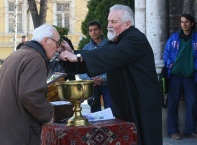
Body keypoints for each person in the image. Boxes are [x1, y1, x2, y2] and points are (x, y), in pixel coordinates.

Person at [59, 4, 162, 145]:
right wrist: (72, 53)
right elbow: (99, 53)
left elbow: (110, 55)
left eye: (114, 22)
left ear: (128, 23)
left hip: (141, 101)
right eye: (108, 21)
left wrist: (76, 57)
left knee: (144, 138)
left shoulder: (135, 38)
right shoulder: (118, 41)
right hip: (127, 99)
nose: (109, 25)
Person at [0, 24, 61, 145]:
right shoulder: (35, 58)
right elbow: (30, 95)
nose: (58, 49)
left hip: (8, 127)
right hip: (22, 130)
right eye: (57, 43)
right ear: (45, 41)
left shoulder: (16, 54)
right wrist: (48, 117)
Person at [163, 14, 197, 140]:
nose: (184, 24)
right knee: (172, 103)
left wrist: (194, 67)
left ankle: (190, 130)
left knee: (192, 103)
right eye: (182, 22)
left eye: (187, 22)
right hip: (175, 76)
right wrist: (171, 65)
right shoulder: (174, 38)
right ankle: (173, 131)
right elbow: (166, 54)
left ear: (192, 23)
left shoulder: (196, 39)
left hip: (190, 77)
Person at [79, 20, 112, 113]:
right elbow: (81, 68)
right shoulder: (86, 48)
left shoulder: (109, 45)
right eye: (91, 30)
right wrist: (90, 79)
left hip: (108, 85)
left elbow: (113, 65)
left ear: (101, 30)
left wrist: (103, 78)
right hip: (93, 86)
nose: (93, 32)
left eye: (95, 29)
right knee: (94, 111)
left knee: (110, 109)